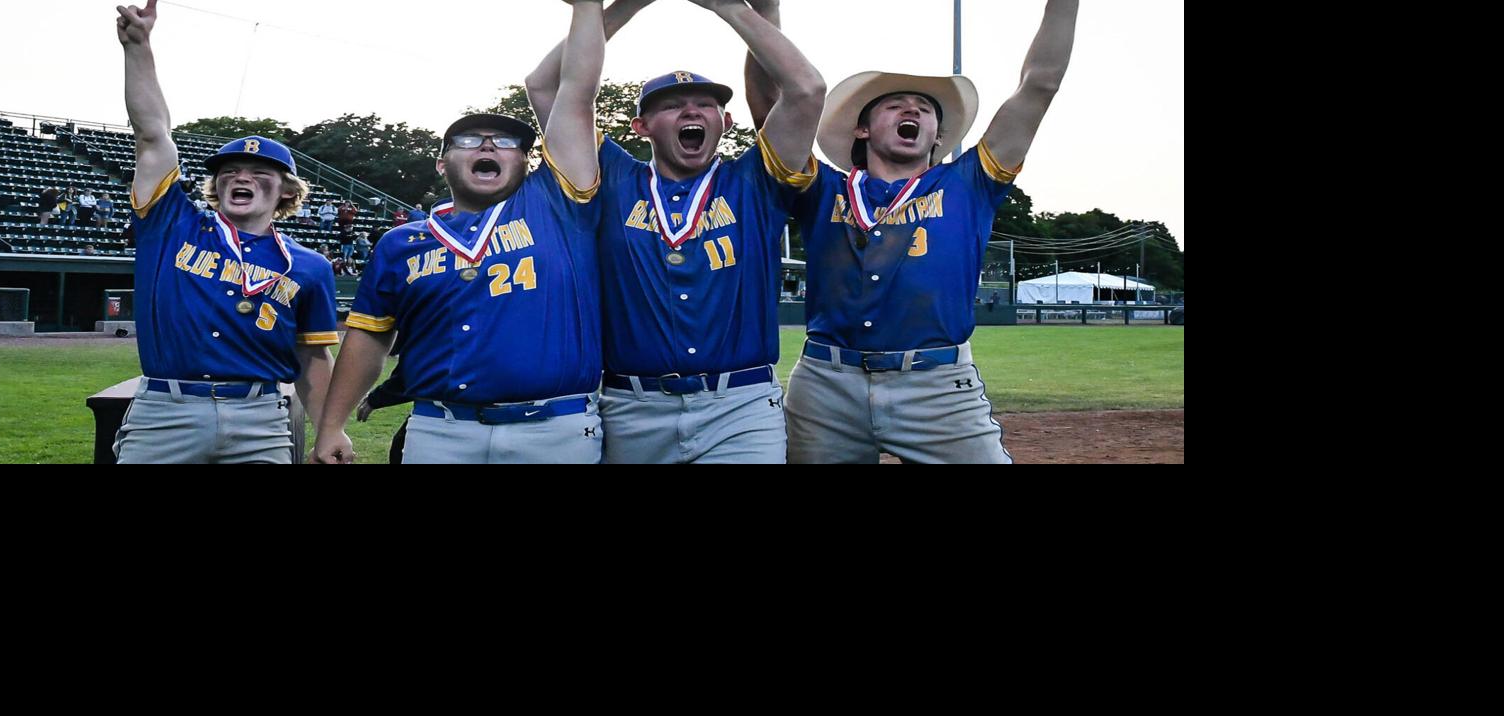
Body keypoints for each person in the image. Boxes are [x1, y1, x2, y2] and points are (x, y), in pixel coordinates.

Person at [767, 0, 1078, 463]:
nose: (911, 109)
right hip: (825, 389)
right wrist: (766, 12)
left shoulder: (969, 182)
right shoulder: (822, 187)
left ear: (937, 136)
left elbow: (1040, 84)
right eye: (894, 105)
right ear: (863, 130)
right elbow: (780, 101)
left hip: (939, 390)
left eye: (924, 109)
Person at [525, 0, 824, 463]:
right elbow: (544, 87)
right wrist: (624, 7)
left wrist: (729, 8)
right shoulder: (611, 178)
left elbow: (806, 89)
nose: (693, 111)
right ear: (641, 125)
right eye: (672, 106)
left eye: (707, 104)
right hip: (631, 408)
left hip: (740, 407)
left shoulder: (755, 180)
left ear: (725, 122)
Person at [312, 0, 607, 465]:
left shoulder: (556, 203)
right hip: (439, 431)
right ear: (441, 162)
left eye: (507, 141)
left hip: (555, 430)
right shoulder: (400, 244)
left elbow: (577, 90)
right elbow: (368, 340)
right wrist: (331, 427)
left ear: (529, 162)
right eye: (469, 140)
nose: (489, 145)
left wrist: (589, 7)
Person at [111, 0, 338, 464]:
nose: (242, 177)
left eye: (260, 172)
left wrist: (329, 431)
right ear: (216, 185)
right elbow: (153, 134)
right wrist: (138, 47)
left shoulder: (310, 267)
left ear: (287, 190)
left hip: (262, 418)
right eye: (231, 170)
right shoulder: (170, 223)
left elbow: (312, 361)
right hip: (165, 414)